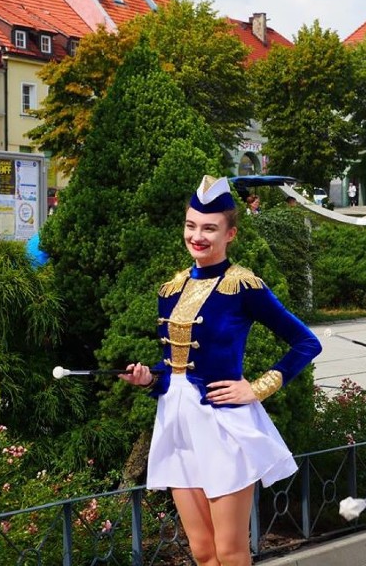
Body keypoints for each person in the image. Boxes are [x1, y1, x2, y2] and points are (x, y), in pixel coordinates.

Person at [121, 175, 321, 566]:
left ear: (230, 233)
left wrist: (259, 388)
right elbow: (175, 368)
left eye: (209, 228)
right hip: (175, 424)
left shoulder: (243, 286)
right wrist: (149, 379)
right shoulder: (171, 289)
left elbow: (306, 342)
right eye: (191, 225)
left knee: (230, 551)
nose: (198, 236)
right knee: (202, 550)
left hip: (221, 426)